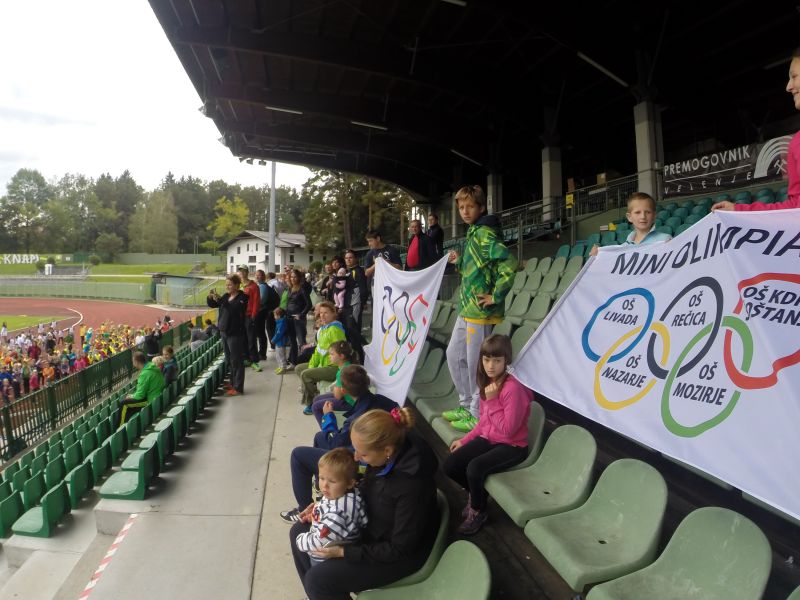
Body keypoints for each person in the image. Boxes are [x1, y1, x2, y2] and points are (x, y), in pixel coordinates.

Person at [289, 407, 439, 600]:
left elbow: (400, 548)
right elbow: (365, 489)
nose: (356, 458)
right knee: (298, 531)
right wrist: (323, 507)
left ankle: (320, 591)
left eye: (363, 454)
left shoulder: (412, 486)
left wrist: (344, 552)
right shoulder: (384, 457)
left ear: (387, 451)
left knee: (318, 580)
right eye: (355, 449)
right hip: (372, 529)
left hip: (401, 554)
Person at [280, 365, 397, 523]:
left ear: (343, 390)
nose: (334, 387)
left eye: (337, 384)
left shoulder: (357, 421)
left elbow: (336, 443)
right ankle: (323, 488)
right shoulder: (382, 401)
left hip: (364, 466)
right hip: (373, 454)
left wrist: (328, 417)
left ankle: (305, 510)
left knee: (298, 455)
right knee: (320, 437)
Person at [444, 184, 517, 433]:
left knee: (477, 362)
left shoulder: (485, 233)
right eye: (461, 207)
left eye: (470, 207)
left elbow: (509, 263)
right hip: (467, 308)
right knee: (454, 355)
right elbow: (474, 269)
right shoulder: (473, 232)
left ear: (482, 207)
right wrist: (459, 262)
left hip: (480, 313)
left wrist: (496, 296)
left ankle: (477, 413)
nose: (465, 211)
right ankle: (466, 405)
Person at [443, 334, 533, 534]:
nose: (490, 366)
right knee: (450, 465)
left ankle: (479, 510)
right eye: (486, 359)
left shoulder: (513, 389)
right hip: (489, 439)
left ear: (506, 361)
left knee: (474, 468)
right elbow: (484, 423)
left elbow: (508, 430)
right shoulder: (489, 382)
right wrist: (465, 440)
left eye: (497, 360)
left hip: (512, 446)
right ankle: (478, 495)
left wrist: (492, 401)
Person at [293, 448, 368, 565]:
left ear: (350, 483)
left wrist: (300, 540)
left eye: (332, 481)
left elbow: (319, 541)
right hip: (329, 534)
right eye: (321, 478)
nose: (324, 486)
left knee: (296, 535)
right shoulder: (339, 493)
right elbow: (327, 507)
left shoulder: (339, 512)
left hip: (324, 558)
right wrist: (316, 514)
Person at [295, 302, 348, 415]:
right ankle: (313, 392)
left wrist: (314, 369)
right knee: (299, 368)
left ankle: (311, 403)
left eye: (326, 313)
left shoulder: (335, 329)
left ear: (333, 314)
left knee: (305, 374)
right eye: (321, 313)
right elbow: (318, 352)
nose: (322, 316)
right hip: (324, 365)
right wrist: (312, 366)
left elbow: (339, 353)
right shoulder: (324, 329)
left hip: (333, 367)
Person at [590, 192, 671, 256]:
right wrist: (598, 256)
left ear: (654, 216)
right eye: (637, 212)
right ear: (629, 217)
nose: (643, 216)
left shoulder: (665, 240)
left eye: (648, 212)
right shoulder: (624, 248)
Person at [207, 274, 248, 396]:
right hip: (224, 332)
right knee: (229, 359)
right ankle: (232, 382)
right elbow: (214, 305)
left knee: (237, 360)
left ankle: (238, 387)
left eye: (229, 284)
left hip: (235, 333)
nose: (227, 287)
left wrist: (221, 300)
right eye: (226, 285)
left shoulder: (243, 298)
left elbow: (233, 309)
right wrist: (210, 298)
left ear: (237, 285)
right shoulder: (226, 296)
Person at [310, 341, 358, 426]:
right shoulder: (347, 365)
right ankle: (327, 421)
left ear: (341, 356)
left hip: (350, 403)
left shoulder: (343, 371)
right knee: (316, 399)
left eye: (332, 354)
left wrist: (336, 387)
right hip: (347, 397)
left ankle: (328, 430)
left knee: (315, 407)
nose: (329, 356)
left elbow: (338, 396)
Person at [117, 350, 166, 427]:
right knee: (129, 404)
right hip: (157, 395)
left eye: (133, 361)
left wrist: (131, 396)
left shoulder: (145, 373)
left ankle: (120, 428)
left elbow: (140, 395)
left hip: (151, 399)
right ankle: (130, 425)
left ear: (136, 362)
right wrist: (132, 396)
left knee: (123, 404)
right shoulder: (151, 366)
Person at [341, 250, 368, 362]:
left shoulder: (358, 271)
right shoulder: (347, 271)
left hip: (355, 305)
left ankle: (362, 358)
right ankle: (354, 359)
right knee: (349, 332)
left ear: (356, 259)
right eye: (346, 258)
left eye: (351, 257)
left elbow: (363, 289)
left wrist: (363, 302)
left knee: (354, 332)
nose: (348, 260)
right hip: (347, 306)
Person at [238, 266, 263, 372]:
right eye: (240, 272)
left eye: (244, 271)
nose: (242, 273)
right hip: (240, 316)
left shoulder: (253, 286)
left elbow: (256, 302)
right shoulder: (238, 285)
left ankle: (254, 361)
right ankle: (246, 359)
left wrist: (253, 316)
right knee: (243, 338)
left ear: (247, 272)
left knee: (251, 339)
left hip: (249, 316)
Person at [287, 269, 312, 368]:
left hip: (298, 319)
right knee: (292, 341)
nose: (293, 279)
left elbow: (309, 304)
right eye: (291, 277)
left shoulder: (302, 289)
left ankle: (306, 362)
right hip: (289, 318)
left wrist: (301, 315)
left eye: (295, 277)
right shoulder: (290, 288)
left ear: (299, 278)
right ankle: (293, 362)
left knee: (302, 342)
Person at [272, 307, 291, 374]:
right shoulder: (279, 322)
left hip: (281, 342)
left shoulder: (282, 323)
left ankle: (283, 368)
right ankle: (280, 367)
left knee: (281, 356)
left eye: (275, 315)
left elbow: (279, 333)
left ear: (279, 316)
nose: (274, 317)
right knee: (278, 355)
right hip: (278, 342)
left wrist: (274, 340)